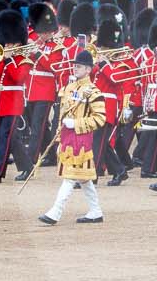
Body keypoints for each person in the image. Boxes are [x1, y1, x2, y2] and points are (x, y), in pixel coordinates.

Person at [39, 51, 108, 224]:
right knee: (83, 178)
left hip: (81, 140)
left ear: (88, 69)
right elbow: (62, 114)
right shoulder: (69, 88)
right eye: (75, 65)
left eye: (78, 66)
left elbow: (100, 118)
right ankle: (96, 211)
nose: (74, 68)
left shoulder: (94, 92)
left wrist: (76, 124)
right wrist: (59, 134)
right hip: (67, 138)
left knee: (70, 177)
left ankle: (55, 211)